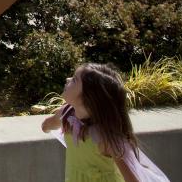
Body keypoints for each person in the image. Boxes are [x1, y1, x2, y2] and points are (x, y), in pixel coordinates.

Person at [41, 63, 170, 182]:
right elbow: (48, 124)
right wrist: (46, 126)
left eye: (74, 80)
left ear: (88, 98)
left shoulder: (104, 137)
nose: (68, 79)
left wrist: (46, 126)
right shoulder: (67, 114)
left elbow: (131, 178)